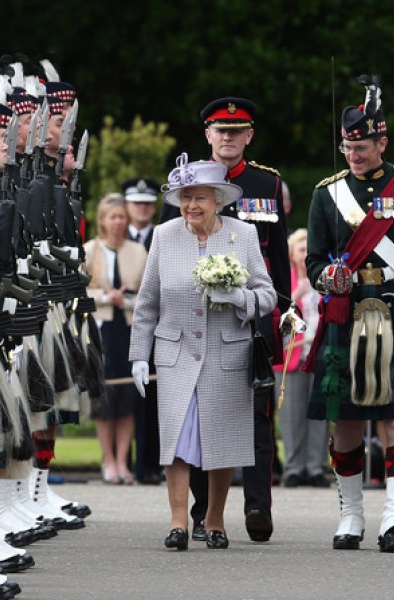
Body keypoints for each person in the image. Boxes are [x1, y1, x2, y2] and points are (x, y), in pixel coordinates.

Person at [305, 77, 394, 553]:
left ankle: (393, 519)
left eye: (362, 146)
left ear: (382, 142)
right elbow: (314, 261)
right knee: (344, 422)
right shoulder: (327, 194)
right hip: (347, 316)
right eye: (347, 147)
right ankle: (351, 515)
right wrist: (329, 277)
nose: (354, 155)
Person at [159, 97, 291, 543]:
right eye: (221, 130)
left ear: (249, 136)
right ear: (208, 136)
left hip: (251, 320)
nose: (228, 137)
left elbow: (275, 259)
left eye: (237, 130)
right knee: (197, 419)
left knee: (254, 418)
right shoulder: (183, 183)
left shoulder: (266, 184)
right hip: (195, 328)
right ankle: (201, 513)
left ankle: (256, 505)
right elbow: (167, 254)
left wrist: (279, 313)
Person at [130, 155, 277, 550]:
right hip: (175, 353)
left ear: (218, 201)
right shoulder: (164, 235)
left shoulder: (242, 235)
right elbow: (147, 303)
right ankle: (178, 522)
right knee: (177, 440)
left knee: (221, 440)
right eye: (184, 197)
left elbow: (268, 295)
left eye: (199, 198)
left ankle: (214, 520)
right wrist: (139, 356)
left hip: (226, 353)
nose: (191, 206)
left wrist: (238, 297)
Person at [84, 193, 147, 484]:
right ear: (103, 220)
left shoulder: (139, 251)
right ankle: (107, 460)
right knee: (106, 399)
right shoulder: (89, 251)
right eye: (113, 217)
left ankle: (123, 462)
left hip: (131, 327)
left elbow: (149, 293)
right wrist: (108, 297)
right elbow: (78, 293)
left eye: (122, 216)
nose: (119, 222)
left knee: (127, 398)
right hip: (102, 330)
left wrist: (128, 301)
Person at [275, 228, 328, 487]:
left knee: (319, 414)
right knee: (292, 414)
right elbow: (278, 317)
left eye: (310, 249)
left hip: (320, 354)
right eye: (301, 249)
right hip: (290, 355)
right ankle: (294, 468)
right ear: (292, 253)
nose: (306, 254)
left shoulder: (323, 277)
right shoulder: (286, 279)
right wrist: (297, 295)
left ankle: (316, 467)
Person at [122, 178, 163, 484]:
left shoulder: (163, 235)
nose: (142, 209)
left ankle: (152, 462)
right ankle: (126, 463)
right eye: (137, 203)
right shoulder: (116, 235)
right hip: (122, 324)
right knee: (126, 397)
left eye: (147, 203)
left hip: (157, 322)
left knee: (154, 396)